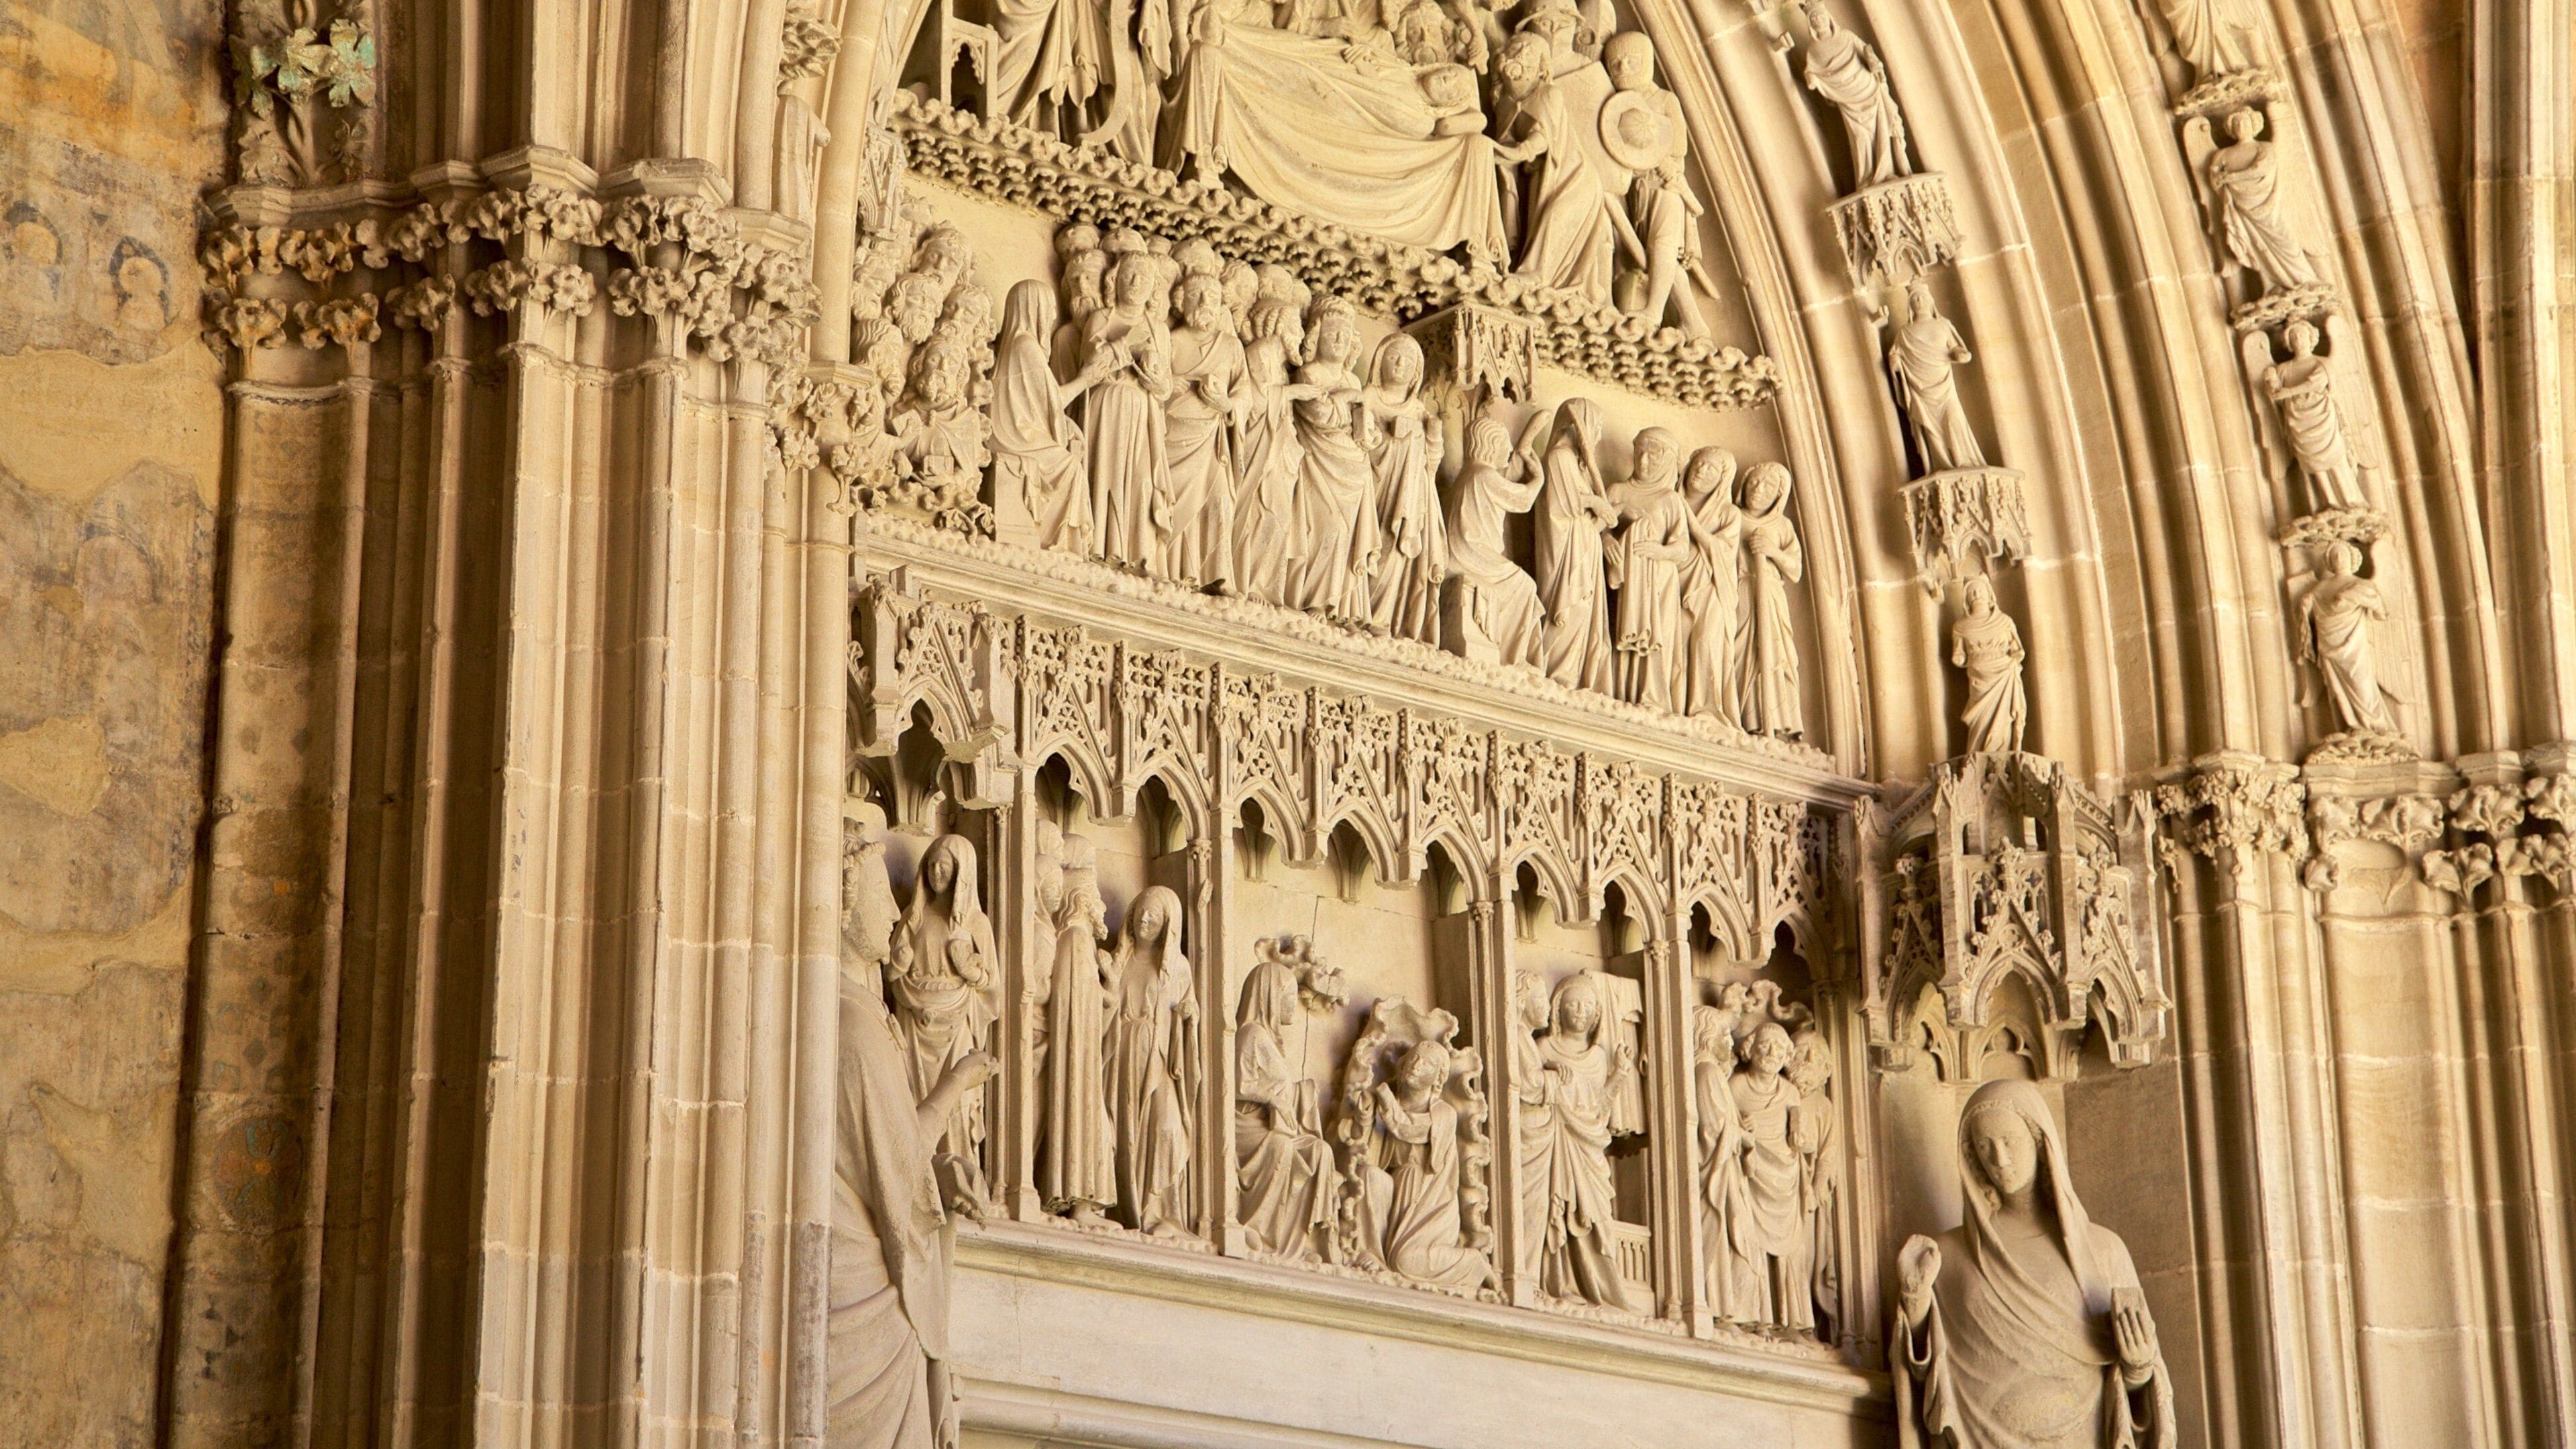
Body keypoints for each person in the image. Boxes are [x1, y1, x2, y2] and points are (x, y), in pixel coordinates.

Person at [1894, 1080, 2176, 1449]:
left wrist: (2139, 1366)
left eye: (2010, 1141)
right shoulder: (1949, 1254)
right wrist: (1915, 1300)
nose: (2000, 1159)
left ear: (2039, 1142)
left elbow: (2137, 1390)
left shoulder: (2104, 1251)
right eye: (1984, 1146)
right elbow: (1924, 1373)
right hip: (1979, 1438)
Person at [883, 834, 999, 1187]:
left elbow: (991, 986)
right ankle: (912, 1168)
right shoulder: (913, 918)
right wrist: (898, 967)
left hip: (956, 1022)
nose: (936, 873)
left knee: (957, 1100)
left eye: (945, 867)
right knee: (911, 1095)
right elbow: (890, 973)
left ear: (961, 873)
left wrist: (968, 970)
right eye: (931, 866)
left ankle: (958, 1169)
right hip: (914, 1022)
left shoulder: (975, 925)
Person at [1355, 1040, 1496, 1292]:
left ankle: (1473, 1263)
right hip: (1396, 1194)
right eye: (1413, 1058)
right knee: (1370, 1176)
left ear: (1438, 1078)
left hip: (1429, 1208)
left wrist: (1386, 1100)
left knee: (1406, 1262)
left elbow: (1408, 1129)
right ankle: (1373, 1252)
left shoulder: (1444, 1114)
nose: (1416, 1066)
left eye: (1427, 1064)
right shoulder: (1384, 1103)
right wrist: (1364, 1115)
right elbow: (1366, 1150)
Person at [1535, 973, 1638, 1309]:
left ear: (1596, 1014)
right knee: (1557, 1209)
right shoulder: (1543, 1048)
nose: (1580, 1011)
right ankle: (1557, 1282)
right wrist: (1547, 1072)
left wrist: (1620, 1073)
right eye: (1572, 1004)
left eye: (1587, 1006)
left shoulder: (1598, 1058)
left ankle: (1599, 1287)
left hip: (1588, 1146)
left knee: (1595, 1215)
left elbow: (1601, 1109)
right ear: (1558, 1009)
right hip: (1554, 1142)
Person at [1106, 884, 1199, 1235]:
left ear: (1167, 924)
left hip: (1160, 1057)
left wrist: (1191, 1016)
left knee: (1167, 1128)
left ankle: (1165, 1213)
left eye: (1154, 916)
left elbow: (1188, 1009)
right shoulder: (1120, 959)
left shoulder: (1178, 969)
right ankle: (1126, 1209)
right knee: (1124, 1132)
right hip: (1122, 1053)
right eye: (1140, 912)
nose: (1145, 920)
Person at [991, 278, 1110, 553]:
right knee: (1070, 468)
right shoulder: (1025, 346)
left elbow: (1040, 405)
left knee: (1070, 455)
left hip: (1021, 432)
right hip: (1017, 438)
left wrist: (1065, 422)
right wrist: (1085, 379)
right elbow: (1051, 401)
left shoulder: (1015, 346)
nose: (1052, 317)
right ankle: (1061, 544)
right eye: (1048, 309)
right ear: (1034, 309)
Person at [1234, 953, 1335, 1258]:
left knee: (1321, 1151)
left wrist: (1301, 1093)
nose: (1293, 1003)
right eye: (1288, 995)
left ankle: (1303, 1241)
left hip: (1276, 1125)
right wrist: (1273, 1097)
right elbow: (1237, 1084)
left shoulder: (1272, 1040)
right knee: (1281, 1147)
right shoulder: (1250, 1034)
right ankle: (1256, 1230)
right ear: (1269, 997)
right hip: (1248, 1127)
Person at [1083, 252, 1175, 572]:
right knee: (1105, 470)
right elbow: (1091, 369)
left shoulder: (1159, 329)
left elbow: (1167, 387)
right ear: (1115, 280)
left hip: (1144, 413)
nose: (1136, 284)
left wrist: (1158, 382)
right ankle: (1100, 545)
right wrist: (1127, 345)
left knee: (1142, 481)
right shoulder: (1101, 319)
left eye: (1144, 278)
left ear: (1154, 288)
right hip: (1108, 404)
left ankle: (1139, 554)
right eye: (1129, 276)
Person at [1040, 835, 1117, 1223]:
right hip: (1078, 1052)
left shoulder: (1082, 942)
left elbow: (1093, 1003)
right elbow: (1073, 1005)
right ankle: (1078, 1195)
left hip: (1087, 1050)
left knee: (1099, 1124)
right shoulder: (1073, 940)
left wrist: (1110, 987)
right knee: (1088, 1119)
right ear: (1082, 901)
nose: (1100, 904)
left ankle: (1087, 1199)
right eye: (1093, 896)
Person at [1291, 298, 1380, 624]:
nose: (1340, 341)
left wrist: (1370, 433)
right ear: (1316, 338)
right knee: (1328, 529)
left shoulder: (1353, 381)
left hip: (1353, 469)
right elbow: (1318, 413)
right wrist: (1348, 401)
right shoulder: (1308, 373)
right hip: (1319, 465)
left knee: (1350, 534)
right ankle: (1315, 599)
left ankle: (1344, 608)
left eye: (1345, 334)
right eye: (1333, 334)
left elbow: (1364, 425)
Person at [1162, 272, 1248, 588]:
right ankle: (1170, 567)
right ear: (1180, 301)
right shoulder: (1172, 340)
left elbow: (1245, 394)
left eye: (1211, 297)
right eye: (1196, 295)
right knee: (1172, 498)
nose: (1203, 303)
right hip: (1173, 434)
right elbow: (1154, 382)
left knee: (1219, 502)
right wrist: (1174, 385)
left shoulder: (1230, 347)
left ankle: (1217, 575)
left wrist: (1226, 404)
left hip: (1212, 440)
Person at [1442, 415, 1548, 667]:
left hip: (1470, 550)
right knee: (1524, 585)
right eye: (1504, 444)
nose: (1509, 449)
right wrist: (1539, 480)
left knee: (1520, 585)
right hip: (1469, 553)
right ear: (1490, 444)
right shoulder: (1483, 475)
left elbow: (1507, 484)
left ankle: (1513, 653)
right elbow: (1522, 500)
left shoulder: (1473, 475)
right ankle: (1513, 657)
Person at [1364, 334, 1446, 641]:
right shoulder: (1369, 397)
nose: (1399, 366)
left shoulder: (1418, 410)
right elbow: (1360, 439)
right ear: (1380, 360)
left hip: (1409, 498)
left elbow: (1432, 464)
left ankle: (1383, 617)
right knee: (1371, 541)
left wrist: (1433, 437)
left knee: (1397, 549)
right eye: (1393, 357)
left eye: (1407, 362)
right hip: (1374, 489)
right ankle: (1361, 610)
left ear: (1416, 373)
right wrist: (1389, 438)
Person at [1604, 427, 1694, 711]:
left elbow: (1682, 548)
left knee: (1660, 637)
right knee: (1620, 628)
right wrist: (1606, 539)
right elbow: (1595, 526)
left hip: (1660, 581)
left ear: (1667, 461)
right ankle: (1622, 692)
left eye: (1653, 457)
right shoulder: (1618, 491)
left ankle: (1653, 697)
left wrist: (1660, 552)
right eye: (1639, 454)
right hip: (1625, 578)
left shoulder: (1671, 499)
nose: (1643, 463)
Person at [1533, 398, 1619, 693]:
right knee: (1569, 605)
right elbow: (1563, 504)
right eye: (1597, 427)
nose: (1598, 435)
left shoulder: (1579, 466)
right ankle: (1557, 667)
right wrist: (1596, 502)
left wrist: (1602, 516)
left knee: (1584, 607)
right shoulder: (1559, 458)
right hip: (1566, 548)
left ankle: (1574, 669)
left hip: (1585, 545)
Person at [1801, 3, 1912, 187]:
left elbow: (1867, 56)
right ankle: (1866, 177)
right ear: (1810, 24)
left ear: (1829, 18)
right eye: (1813, 18)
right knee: (1860, 138)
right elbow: (1811, 73)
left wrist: (1875, 66)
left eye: (1820, 16)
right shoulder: (1813, 51)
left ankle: (1888, 172)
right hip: (1847, 100)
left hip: (1868, 90)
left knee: (1882, 132)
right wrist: (1813, 80)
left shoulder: (1847, 37)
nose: (1818, 20)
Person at [1737, 463, 1805, 739]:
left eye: (1767, 487)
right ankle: (1749, 719)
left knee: (1776, 655)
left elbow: (1796, 570)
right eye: (1754, 482)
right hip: (1742, 593)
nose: (1758, 490)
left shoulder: (1782, 526)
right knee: (1745, 654)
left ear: (1778, 496)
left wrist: (1773, 551)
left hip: (1771, 596)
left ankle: (1779, 723)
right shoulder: (1733, 517)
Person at [1680, 447, 1743, 723]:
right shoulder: (1671, 499)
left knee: (1706, 641)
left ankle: (1706, 707)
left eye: (1711, 469)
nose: (1702, 471)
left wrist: (1693, 526)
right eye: (1700, 463)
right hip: (1674, 585)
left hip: (1711, 588)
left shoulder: (1728, 513)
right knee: (1677, 644)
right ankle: (1673, 699)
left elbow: (1723, 550)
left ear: (1722, 480)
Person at [1952, 575, 2029, 755]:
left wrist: (2015, 656)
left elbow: (2018, 650)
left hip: (2004, 673)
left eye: (1980, 590)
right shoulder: (1961, 627)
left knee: (2003, 721)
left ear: (1989, 594)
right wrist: (1961, 658)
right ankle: (1977, 758)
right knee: (1980, 721)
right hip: (1978, 677)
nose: (1976, 594)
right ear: (1966, 599)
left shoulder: (2004, 621)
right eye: (1972, 592)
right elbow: (1959, 656)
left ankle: (2000, 757)